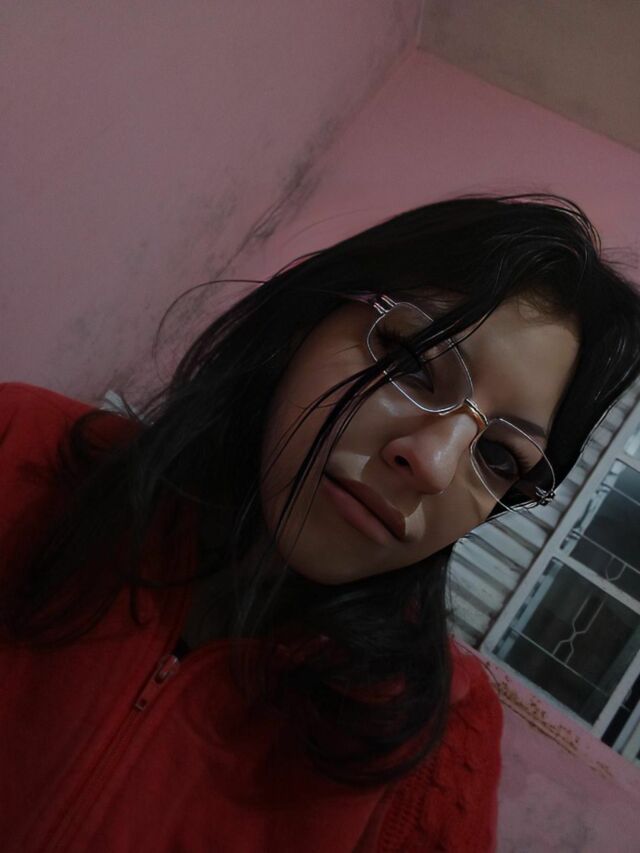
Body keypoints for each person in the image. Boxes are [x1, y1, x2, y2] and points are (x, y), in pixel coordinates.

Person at [1, 192, 639, 852]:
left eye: (500, 456)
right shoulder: (19, 452)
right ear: (308, 318)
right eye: (413, 360)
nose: (432, 465)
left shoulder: (431, 746)